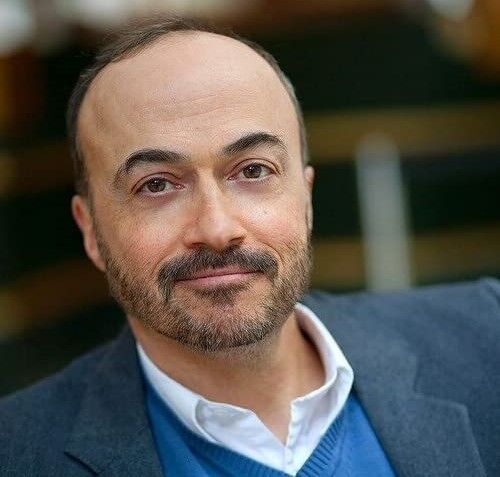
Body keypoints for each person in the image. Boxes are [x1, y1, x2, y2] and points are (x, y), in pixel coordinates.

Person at [0, 17, 499, 477]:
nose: (217, 229)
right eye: (156, 185)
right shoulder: (17, 453)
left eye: (253, 171)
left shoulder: (485, 339)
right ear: (90, 230)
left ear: (305, 197)